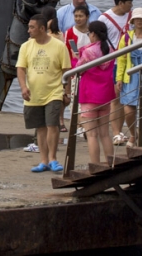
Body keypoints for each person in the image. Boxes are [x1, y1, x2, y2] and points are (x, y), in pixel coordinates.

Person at [16, 14, 72, 173]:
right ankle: (44, 160)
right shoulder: (26, 46)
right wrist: (23, 87)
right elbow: (21, 68)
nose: (29, 31)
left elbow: (66, 70)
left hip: (54, 92)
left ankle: (53, 158)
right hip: (34, 93)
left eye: (32, 27)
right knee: (40, 128)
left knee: (52, 124)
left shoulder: (59, 46)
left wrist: (66, 92)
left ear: (42, 28)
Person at [76, 20, 115, 164]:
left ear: (92, 33)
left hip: (89, 95)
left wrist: (76, 59)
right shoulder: (110, 49)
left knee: (92, 135)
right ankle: (112, 164)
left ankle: (95, 165)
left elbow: (78, 69)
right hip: (105, 95)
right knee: (105, 134)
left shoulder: (88, 51)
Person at [115, 9, 142, 145]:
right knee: (129, 109)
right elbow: (121, 60)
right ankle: (133, 134)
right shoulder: (126, 37)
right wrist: (119, 78)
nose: (139, 21)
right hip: (130, 77)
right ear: (132, 21)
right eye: (137, 18)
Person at [100, 0, 134, 139]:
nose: (131, 6)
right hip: (113, 63)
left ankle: (121, 131)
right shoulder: (104, 19)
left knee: (127, 97)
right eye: (129, 3)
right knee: (116, 97)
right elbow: (99, 42)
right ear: (120, 3)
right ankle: (115, 133)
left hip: (130, 61)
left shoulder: (133, 17)